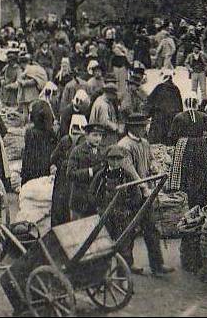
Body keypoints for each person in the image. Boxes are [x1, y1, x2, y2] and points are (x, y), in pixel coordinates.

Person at [117, 113, 173, 276]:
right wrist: (143, 187)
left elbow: (150, 160)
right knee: (129, 230)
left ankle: (157, 265)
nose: (145, 128)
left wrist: (155, 167)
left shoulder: (145, 143)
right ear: (134, 127)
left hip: (145, 192)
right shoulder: (124, 145)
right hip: (130, 194)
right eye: (142, 126)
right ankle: (126, 266)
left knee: (151, 227)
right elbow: (130, 170)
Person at [90, 145, 146, 274]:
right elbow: (91, 194)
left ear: (122, 160)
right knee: (104, 246)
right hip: (105, 216)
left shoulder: (127, 175)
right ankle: (103, 275)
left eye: (118, 159)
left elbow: (136, 196)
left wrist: (129, 209)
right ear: (107, 160)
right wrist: (100, 208)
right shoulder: (101, 175)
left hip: (123, 216)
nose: (115, 163)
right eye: (112, 159)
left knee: (125, 246)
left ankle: (123, 276)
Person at [174, 95, 207, 208]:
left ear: (185, 104)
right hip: (201, 147)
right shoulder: (203, 116)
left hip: (186, 148)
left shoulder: (179, 117)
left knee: (188, 175)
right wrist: (206, 134)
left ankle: (192, 204)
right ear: (196, 104)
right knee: (203, 173)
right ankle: (203, 203)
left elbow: (172, 135)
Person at [50, 114, 87, 226]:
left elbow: (53, 157)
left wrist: (60, 163)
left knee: (60, 205)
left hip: (62, 177)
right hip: (76, 178)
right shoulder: (84, 142)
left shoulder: (65, 139)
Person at [67, 123, 105, 220]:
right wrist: (91, 171)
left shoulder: (101, 153)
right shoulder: (77, 151)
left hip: (94, 201)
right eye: (94, 135)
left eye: (100, 135)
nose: (98, 139)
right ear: (86, 135)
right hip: (80, 201)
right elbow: (70, 174)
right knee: (78, 231)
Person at [21, 96, 58, 184]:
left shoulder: (30, 133)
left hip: (32, 166)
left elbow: (27, 154)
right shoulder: (51, 132)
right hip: (45, 165)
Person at [145, 70, 182, 146]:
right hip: (171, 122)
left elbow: (150, 102)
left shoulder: (159, 88)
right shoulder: (176, 89)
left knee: (156, 145)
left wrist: (147, 115)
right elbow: (180, 107)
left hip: (159, 122)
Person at [89, 82, 122, 147]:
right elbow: (105, 123)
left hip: (100, 135)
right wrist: (117, 128)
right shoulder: (103, 104)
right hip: (103, 138)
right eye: (114, 95)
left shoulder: (104, 100)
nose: (115, 97)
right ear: (109, 93)